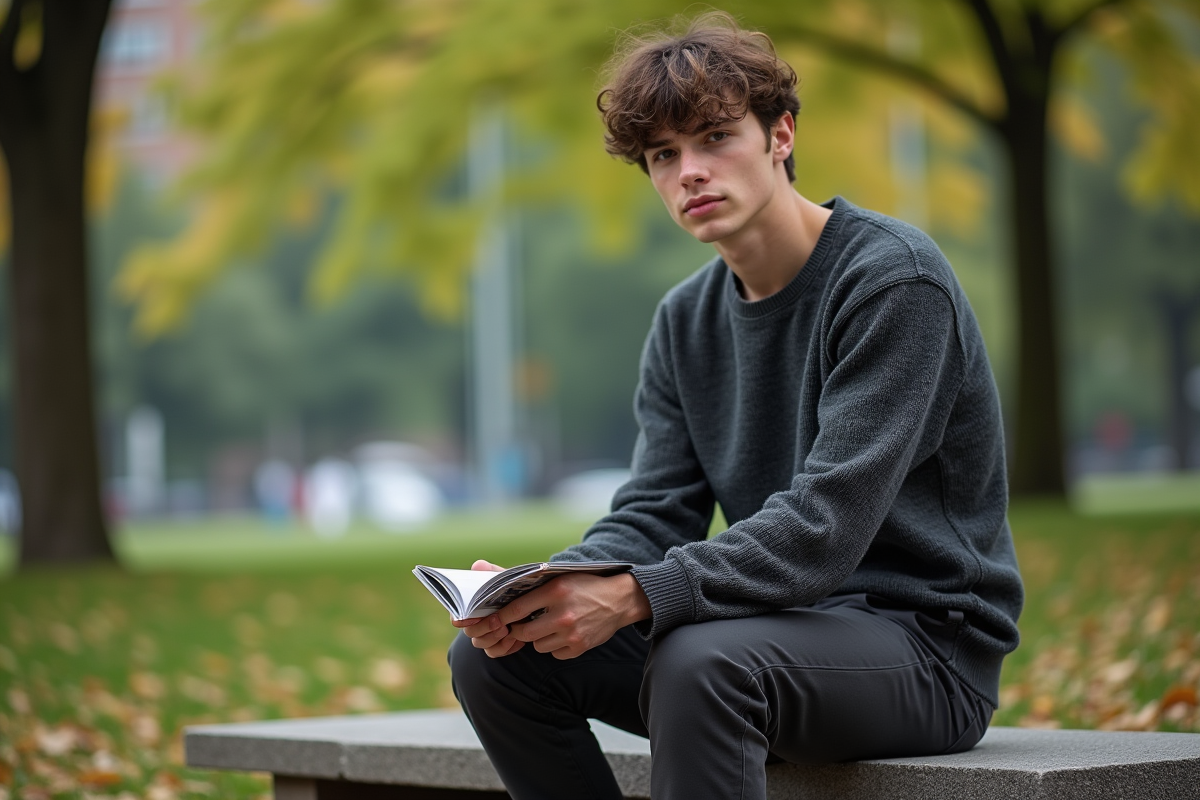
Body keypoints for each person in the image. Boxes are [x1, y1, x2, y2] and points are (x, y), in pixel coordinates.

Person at [448, 12, 1023, 800]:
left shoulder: (893, 283)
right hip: (767, 633)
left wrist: (638, 593)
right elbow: (654, 512)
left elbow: (825, 524)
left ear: (780, 135)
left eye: (715, 137)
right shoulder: (686, 321)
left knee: (701, 664)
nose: (689, 170)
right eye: (663, 154)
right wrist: (548, 585)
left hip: (924, 650)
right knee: (498, 655)